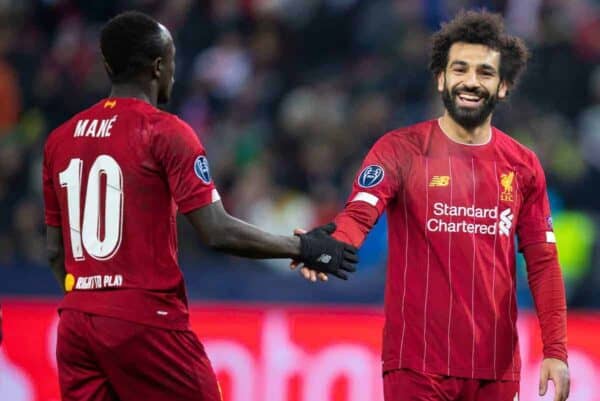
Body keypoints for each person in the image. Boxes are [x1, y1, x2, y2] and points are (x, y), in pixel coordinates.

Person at [42, 11, 357, 401]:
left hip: (76, 324)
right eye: (172, 60)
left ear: (108, 66)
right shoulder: (165, 131)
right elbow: (216, 230)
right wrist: (304, 247)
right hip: (144, 320)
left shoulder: (60, 140)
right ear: (158, 67)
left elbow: (56, 251)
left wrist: (92, 301)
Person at [294, 10, 569, 401]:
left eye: (485, 73)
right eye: (460, 69)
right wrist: (333, 242)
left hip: (496, 370)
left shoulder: (523, 166)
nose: (471, 82)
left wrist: (556, 350)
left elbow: (543, 260)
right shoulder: (399, 150)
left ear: (503, 86)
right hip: (418, 365)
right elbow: (359, 214)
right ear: (441, 77)